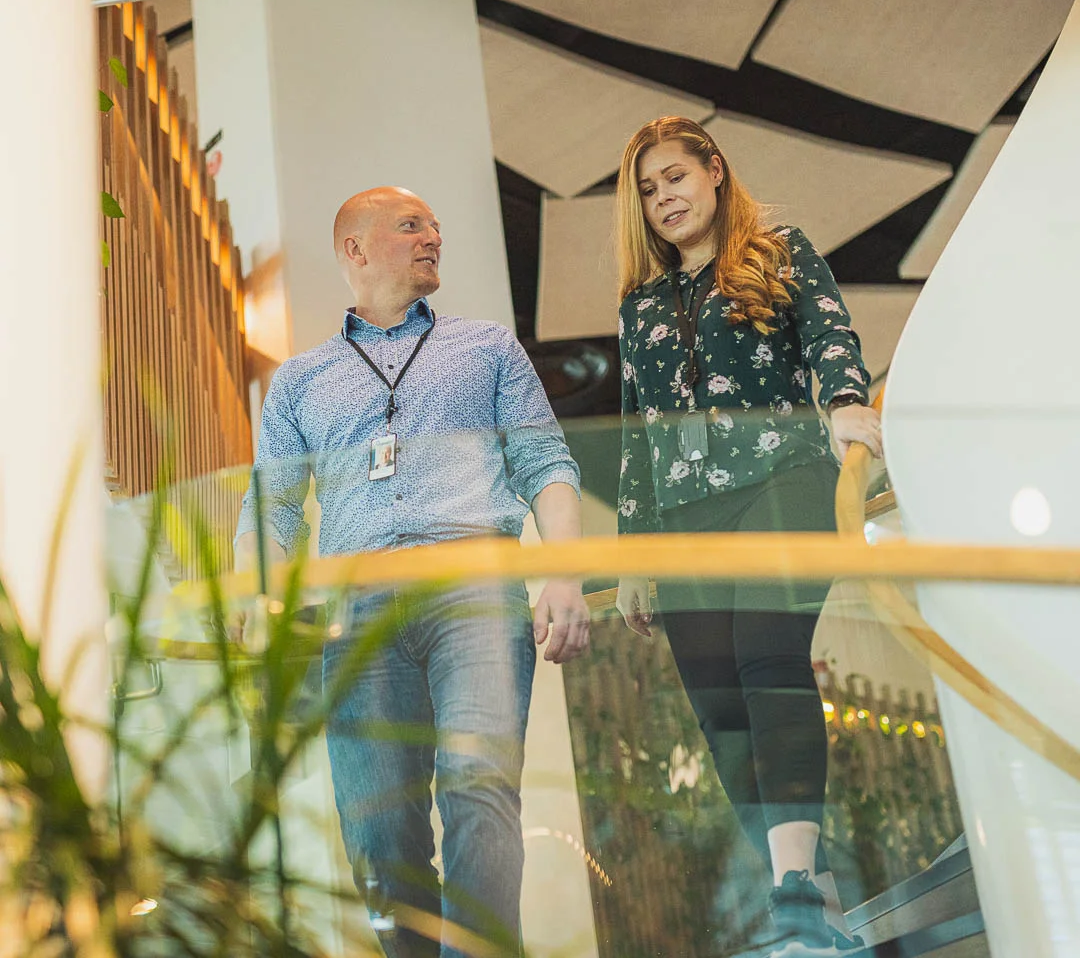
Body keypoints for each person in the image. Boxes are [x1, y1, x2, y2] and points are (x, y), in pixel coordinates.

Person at [234, 186, 590, 958]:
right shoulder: (299, 382)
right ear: (355, 250)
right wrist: (255, 588)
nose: (433, 235)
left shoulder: (488, 347)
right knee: (375, 820)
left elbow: (545, 462)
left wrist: (563, 575)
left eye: (434, 223)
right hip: (355, 608)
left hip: (478, 591)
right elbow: (273, 507)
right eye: (409, 226)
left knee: (478, 787)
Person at [613, 118, 881, 958]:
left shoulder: (778, 247)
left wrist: (846, 409)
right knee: (717, 702)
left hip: (782, 481)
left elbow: (830, 334)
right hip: (684, 517)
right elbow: (637, 428)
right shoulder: (641, 304)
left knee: (768, 659)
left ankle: (797, 886)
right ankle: (803, 895)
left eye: (675, 178)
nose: (665, 200)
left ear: (715, 171)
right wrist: (630, 551)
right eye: (649, 191)